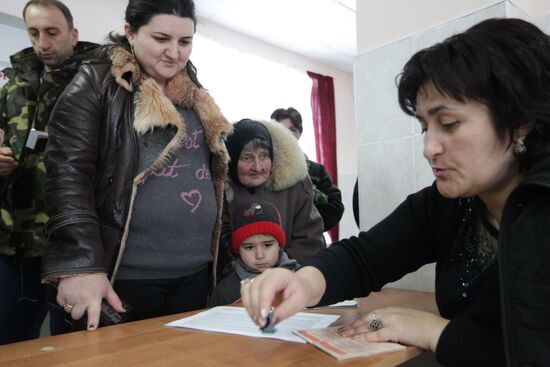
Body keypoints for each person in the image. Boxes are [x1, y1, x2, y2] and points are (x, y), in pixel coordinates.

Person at [241, 18, 550, 367]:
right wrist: (305, 282)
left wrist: (435, 332)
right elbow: (367, 255)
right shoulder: (453, 202)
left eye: (449, 124)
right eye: (424, 128)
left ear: (520, 121)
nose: (430, 148)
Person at [40, 0, 232, 332]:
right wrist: (81, 265)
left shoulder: (193, 90)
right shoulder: (96, 83)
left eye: (185, 42)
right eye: (161, 39)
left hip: (196, 273)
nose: (174, 52)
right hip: (125, 276)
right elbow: (67, 174)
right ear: (130, 32)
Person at [0, 0, 98, 344]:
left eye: (52, 33)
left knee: (70, 341)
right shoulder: (12, 84)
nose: (42, 43)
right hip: (14, 238)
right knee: (10, 338)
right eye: (34, 32)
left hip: (70, 239)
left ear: (73, 34)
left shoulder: (96, 81)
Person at [223, 118, 325, 266]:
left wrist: (283, 269)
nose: (257, 167)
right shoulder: (219, 188)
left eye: (264, 156)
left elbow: (309, 239)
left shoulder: (295, 184)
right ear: (232, 159)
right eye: (247, 157)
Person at [208, 201, 299, 306]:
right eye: (249, 247)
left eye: (267, 245)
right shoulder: (225, 291)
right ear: (238, 250)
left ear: (279, 245)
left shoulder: (301, 276)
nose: (259, 255)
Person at [270, 107, 344, 233]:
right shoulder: (263, 169)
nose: (288, 134)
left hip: (310, 242)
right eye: (282, 129)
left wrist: (306, 222)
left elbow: (335, 207)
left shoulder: (316, 171)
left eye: (293, 129)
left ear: (299, 133)